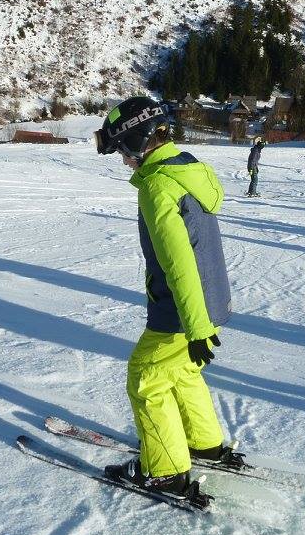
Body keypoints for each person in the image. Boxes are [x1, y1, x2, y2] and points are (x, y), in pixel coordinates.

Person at [94, 96, 237, 498]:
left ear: (138, 142)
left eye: (123, 151)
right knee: (183, 372)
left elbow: (179, 263)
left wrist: (196, 327)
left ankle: (166, 472)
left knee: (146, 378)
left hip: (182, 309)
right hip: (207, 300)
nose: (124, 161)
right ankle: (203, 444)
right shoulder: (186, 171)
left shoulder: (158, 187)